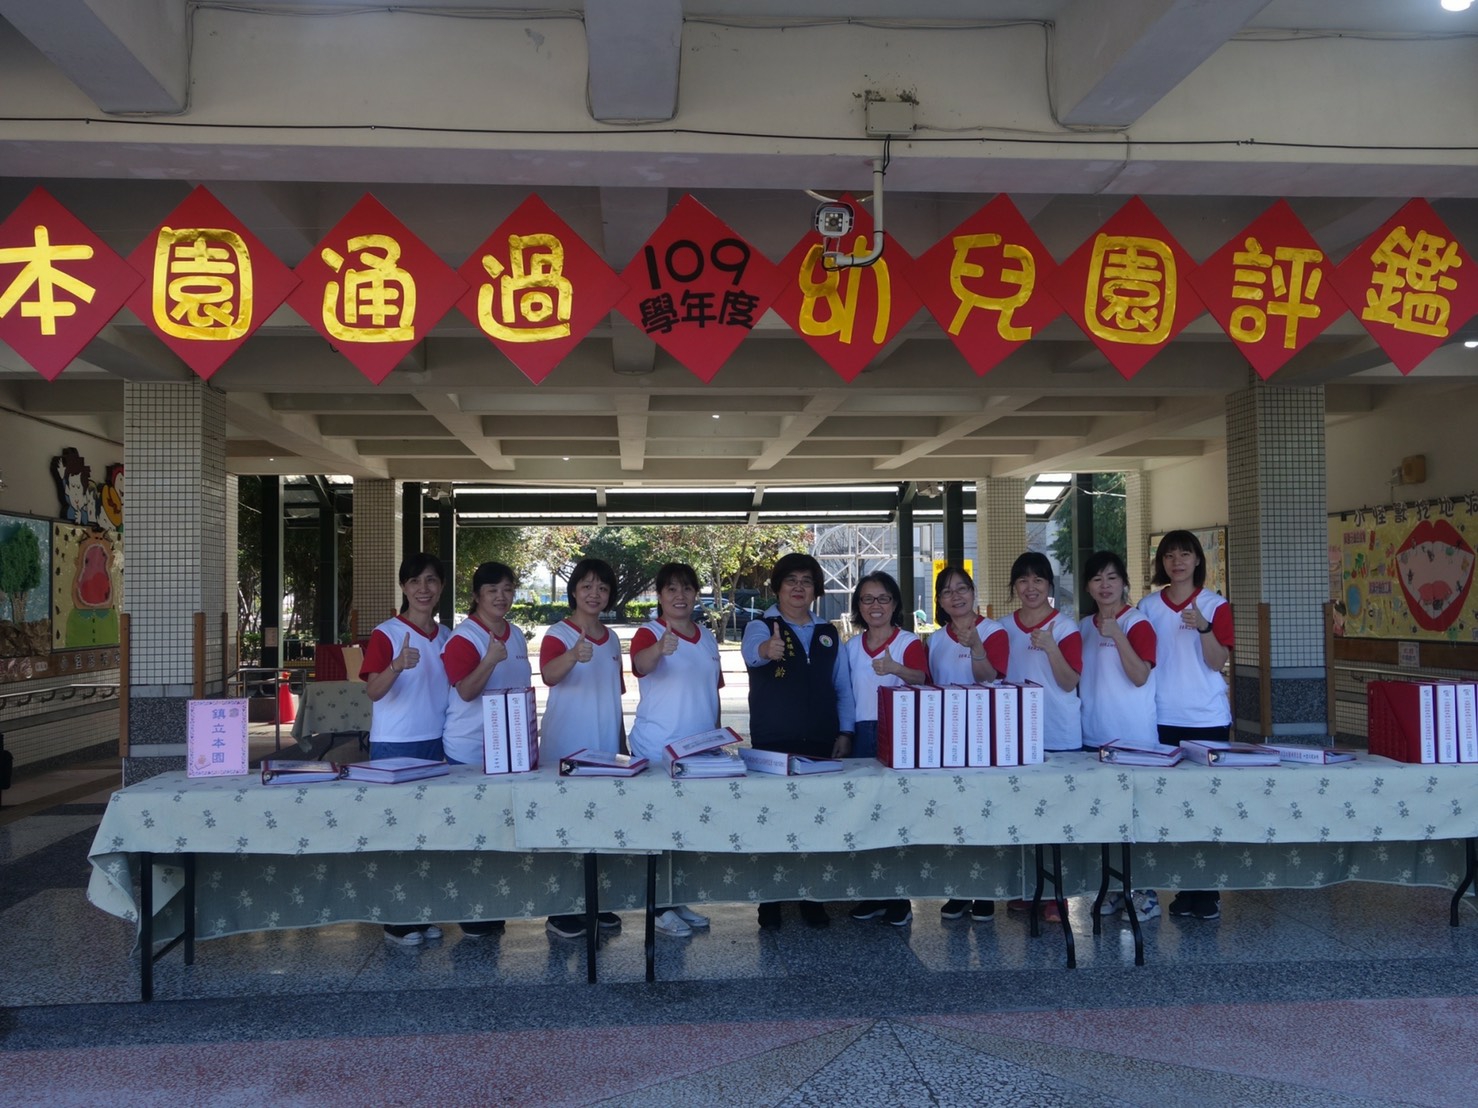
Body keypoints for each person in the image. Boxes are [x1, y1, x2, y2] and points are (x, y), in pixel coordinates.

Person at [742, 551, 855, 930]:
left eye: (806, 581)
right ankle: (770, 901)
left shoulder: (828, 633)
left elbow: (842, 687)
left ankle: (812, 898)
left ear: (816, 590)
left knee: (816, 819)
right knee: (772, 820)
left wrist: (846, 732)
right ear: (777, 587)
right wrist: (767, 650)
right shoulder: (761, 626)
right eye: (791, 580)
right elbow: (752, 654)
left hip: (821, 740)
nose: (798, 587)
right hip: (774, 741)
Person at [1138, 529, 1234, 922]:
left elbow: (1217, 662)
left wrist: (1204, 628)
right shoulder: (1147, 607)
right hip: (1161, 719)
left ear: (1197, 559)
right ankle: (1183, 885)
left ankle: (1206, 891)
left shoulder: (1216, 605)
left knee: (1207, 804)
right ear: (1161, 562)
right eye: (1169, 555)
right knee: (1170, 807)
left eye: (1185, 554)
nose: (1177, 562)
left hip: (1207, 719)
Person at [359, 551, 452, 946]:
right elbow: (373, 691)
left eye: (431, 580)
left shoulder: (446, 636)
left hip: (436, 743)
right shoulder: (387, 634)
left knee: (427, 831)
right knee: (395, 830)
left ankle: (419, 911)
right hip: (394, 745)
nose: (423, 588)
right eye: (415, 581)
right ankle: (396, 919)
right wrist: (396, 666)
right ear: (403, 587)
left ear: (441, 586)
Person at [628, 562, 721, 938]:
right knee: (658, 827)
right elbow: (640, 664)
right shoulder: (649, 633)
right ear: (660, 596)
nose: (679, 596)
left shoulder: (707, 636)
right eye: (671, 589)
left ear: (696, 594)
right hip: (658, 752)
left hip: (699, 753)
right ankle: (658, 908)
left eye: (687, 588)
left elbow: (712, 691)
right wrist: (659, 649)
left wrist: (717, 740)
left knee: (685, 829)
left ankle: (676, 898)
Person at [441, 561, 532, 939]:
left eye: (507, 589)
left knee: (499, 831)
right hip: (470, 750)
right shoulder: (464, 638)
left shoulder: (517, 635)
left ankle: (493, 903)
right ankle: (472, 910)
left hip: (510, 751)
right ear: (477, 595)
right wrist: (490, 661)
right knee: (472, 832)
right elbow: (465, 691)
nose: (501, 596)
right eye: (492, 589)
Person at [538, 556, 626, 941]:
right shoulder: (558, 634)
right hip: (566, 749)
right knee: (565, 827)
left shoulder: (613, 639)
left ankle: (595, 901)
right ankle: (561, 909)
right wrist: (573, 655)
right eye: (587, 586)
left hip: (605, 750)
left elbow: (615, 696)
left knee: (600, 824)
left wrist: (622, 746)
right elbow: (548, 674)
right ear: (573, 590)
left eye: (602, 588)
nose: (594, 594)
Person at [1077, 550, 1160, 922]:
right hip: (1094, 736)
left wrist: (1118, 636)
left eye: (1112, 577)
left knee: (1136, 817)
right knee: (1105, 816)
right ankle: (1114, 888)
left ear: (1124, 582)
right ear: (1087, 587)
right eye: (1097, 579)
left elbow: (1140, 676)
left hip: (1133, 738)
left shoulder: (1137, 623)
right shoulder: (1083, 627)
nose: (1105, 585)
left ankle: (1147, 893)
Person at [925, 565, 1008, 924]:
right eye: (947, 591)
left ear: (973, 593)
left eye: (962, 589)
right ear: (940, 601)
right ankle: (959, 889)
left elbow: (989, 677)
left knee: (984, 811)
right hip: (948, 740)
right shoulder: (935, 640)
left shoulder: (994, 631)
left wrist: (975, 646)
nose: (955, 596)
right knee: (953, 814)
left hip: (985, 738)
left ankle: (985, 891)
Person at [844, 570, 927, 928]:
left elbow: (923, 679)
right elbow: (843, 694)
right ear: (858, 606)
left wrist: (896, 668)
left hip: (898, 735)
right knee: (864, 814)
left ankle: (899, 898)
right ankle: (873, 892)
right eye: (867, 599)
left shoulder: (908, 643)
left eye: (883, 598)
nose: (875, 605)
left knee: (895, 814)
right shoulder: (851, 647)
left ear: (895, 604)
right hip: (860, 735)